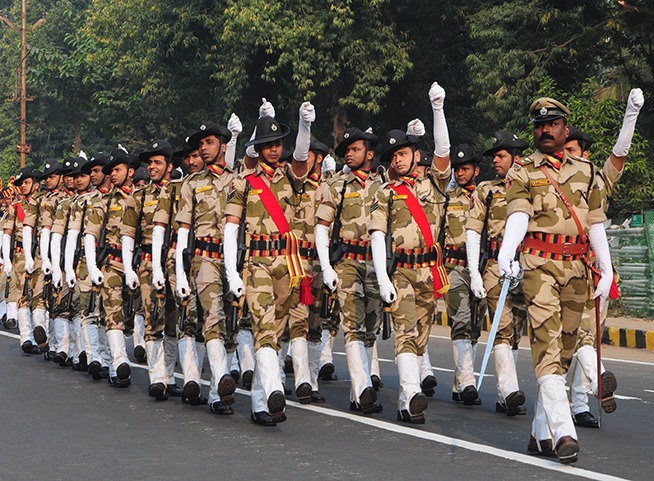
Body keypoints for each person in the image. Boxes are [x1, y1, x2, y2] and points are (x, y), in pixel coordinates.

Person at [498, 97, 614, 464]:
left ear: (566, 128)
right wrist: (508, 250)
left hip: (578, 267)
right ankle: (564, 432)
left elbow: (595, 221)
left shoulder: (587, 170)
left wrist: (607, 268)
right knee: (547, 346)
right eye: (538, 125)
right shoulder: (522, 172)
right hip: (540, 265)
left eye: (551, 124)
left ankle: (539, 432)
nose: (544, 130)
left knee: (565, 350)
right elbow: (517, 214)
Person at [223, 101, 315, 426]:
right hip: (257, 264)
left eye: (278, 144)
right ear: (258, 149)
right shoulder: (243, 182)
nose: (274, 149)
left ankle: (261, 405)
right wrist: (232, 272)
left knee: (275, 335)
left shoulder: (291, 178)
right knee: (263, 328)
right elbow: (232, 227)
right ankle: (276, 390)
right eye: (268, 145)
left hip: (287, 265)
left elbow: (302, 159)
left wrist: (305, 126)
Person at [565, 87, 644, 428]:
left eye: (571, 150)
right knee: (579, 335)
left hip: (596, 269)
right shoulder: (551, 178)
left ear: (584, 153)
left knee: (591, 335)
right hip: (563, 267)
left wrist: (631, 114)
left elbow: (620, 155)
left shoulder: (597, 179)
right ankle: (597, 382)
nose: (565, 155)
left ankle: (580, 402)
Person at [368, 123, 451, 423]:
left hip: (430, 272)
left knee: (421, 337)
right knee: (405, 332)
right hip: (401, 271)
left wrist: (437, 109)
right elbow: (377, 234)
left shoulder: (436, 185)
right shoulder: (386, 192)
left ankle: (406, 400)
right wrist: (382, 278)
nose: (398, 160)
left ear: (416, 155)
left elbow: (443, 151)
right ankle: (413, 391)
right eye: (394, 156)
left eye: (403, 153)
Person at [315, 125, 384, 415]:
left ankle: (361, 393)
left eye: (356, 149)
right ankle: (362, 387)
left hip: (376, 262)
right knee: (352, 325)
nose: (350, 155)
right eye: (347, 151)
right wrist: (327, 267)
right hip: (347, 263)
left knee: (372, 327)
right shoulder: (337, 186)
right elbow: (322, 227)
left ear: (369, 152)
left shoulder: (384, 186)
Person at [175, 120, 239, 414]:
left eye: (209, 143)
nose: (203, 148)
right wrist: (179, 272)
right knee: (213, 318)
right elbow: (184, 230)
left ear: (223, 146)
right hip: (204, 259)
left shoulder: (239, 180)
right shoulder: (191, 183)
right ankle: (220, 389)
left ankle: (219, 388)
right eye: (200, 144)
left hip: (236, 259)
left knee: (233, 324)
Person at [467, 131, 529, 416]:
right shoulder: (486, 190)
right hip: (495, 267)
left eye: (501, 156)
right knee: (501, 327)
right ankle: (511, 390)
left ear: (517, 158)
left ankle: (506, 395)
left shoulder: (533, 186)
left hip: (525, 266)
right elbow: (472, 231)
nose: (495, 161)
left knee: (516, 330)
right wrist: (475, 273)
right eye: (494, 156)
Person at [84, 148, 136, 387]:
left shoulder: (143, 197)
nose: (112, 175)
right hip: (112, 266)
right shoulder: (103, 201)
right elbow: (90, 234)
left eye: (117, 169)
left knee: (134, 317)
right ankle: (119, 363)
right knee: (113, 313)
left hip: (139, 265)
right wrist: (93, 267)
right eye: (110, 171)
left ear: (130, 171)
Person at [442, 144, 482, 405]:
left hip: (480, 268)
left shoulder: (485, 196)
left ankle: (461, 381)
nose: (460, 173)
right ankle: (467, 381)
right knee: (460, 319)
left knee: (476, 325)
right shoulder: (447, 198)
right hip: (454, 268)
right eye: (457, 169)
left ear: (476, 170)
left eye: (465, 168)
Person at [3, 167, 43, 354]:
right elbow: (7, 233)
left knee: (41, 297)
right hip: (20, 256)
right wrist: (7, 259)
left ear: (36, 184)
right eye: (21, 184)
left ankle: (42, 335)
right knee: (22, 296)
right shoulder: (17, 208)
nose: (23, 187)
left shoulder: (45, 203)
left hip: (41, 255)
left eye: (27, 182)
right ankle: (26, 337)